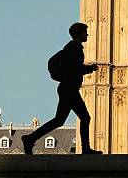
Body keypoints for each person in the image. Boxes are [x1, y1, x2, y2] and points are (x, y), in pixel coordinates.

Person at [21, 23, 102, 155]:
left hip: (67, 88)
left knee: (59, 120)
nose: (87, 35)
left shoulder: (72, 47)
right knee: (84, 117)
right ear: (79, 34)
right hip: (69, 89)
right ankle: (85, 148)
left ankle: (30, 138)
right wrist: (90, 69)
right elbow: (74, 68)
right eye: (85, 32)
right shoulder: (74, 48)